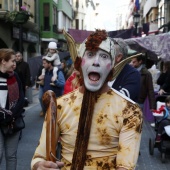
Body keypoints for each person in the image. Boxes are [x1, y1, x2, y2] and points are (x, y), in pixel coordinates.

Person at [31, 29, 143, 170]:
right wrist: (39, 165)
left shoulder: (130, 111)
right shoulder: (59, 106)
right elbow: (39, 157)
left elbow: (126, 167)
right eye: (90, 55)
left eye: (104, 56)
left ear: (112, 67)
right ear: (79, 63)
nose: (96, 62)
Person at [0, 49, 25, 169]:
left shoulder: (15, 76)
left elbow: (21, 98)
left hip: (13, 122)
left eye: (15, 61)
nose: (15, 64)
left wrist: (11, 116)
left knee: (11, 156)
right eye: (12, 61)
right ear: (3, 61)